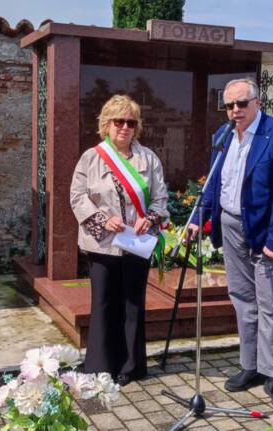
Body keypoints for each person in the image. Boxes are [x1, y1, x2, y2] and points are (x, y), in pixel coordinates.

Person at [189, 78, 273, 409]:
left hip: (265, 231)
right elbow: (213, 182)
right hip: (232, 225)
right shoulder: (223, 137)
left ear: (257, 102)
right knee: (242, 299)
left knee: (271, 304)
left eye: (241, 103)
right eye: (229, 105)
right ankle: (250, 366)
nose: (235, 110)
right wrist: (198, 216)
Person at [70, 94, 168, 386]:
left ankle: (131, 365)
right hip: (102, 244)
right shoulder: (91, 157)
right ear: (106, 124)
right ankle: (100, 365)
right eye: (118, 121)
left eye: (130, 122)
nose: (124, 127)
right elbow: (77, 197)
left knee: (132, 304)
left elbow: (162, 197)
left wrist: (149, 218)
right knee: (103, 304)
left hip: (136, 243)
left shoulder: (148, 158)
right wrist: (102, 218)